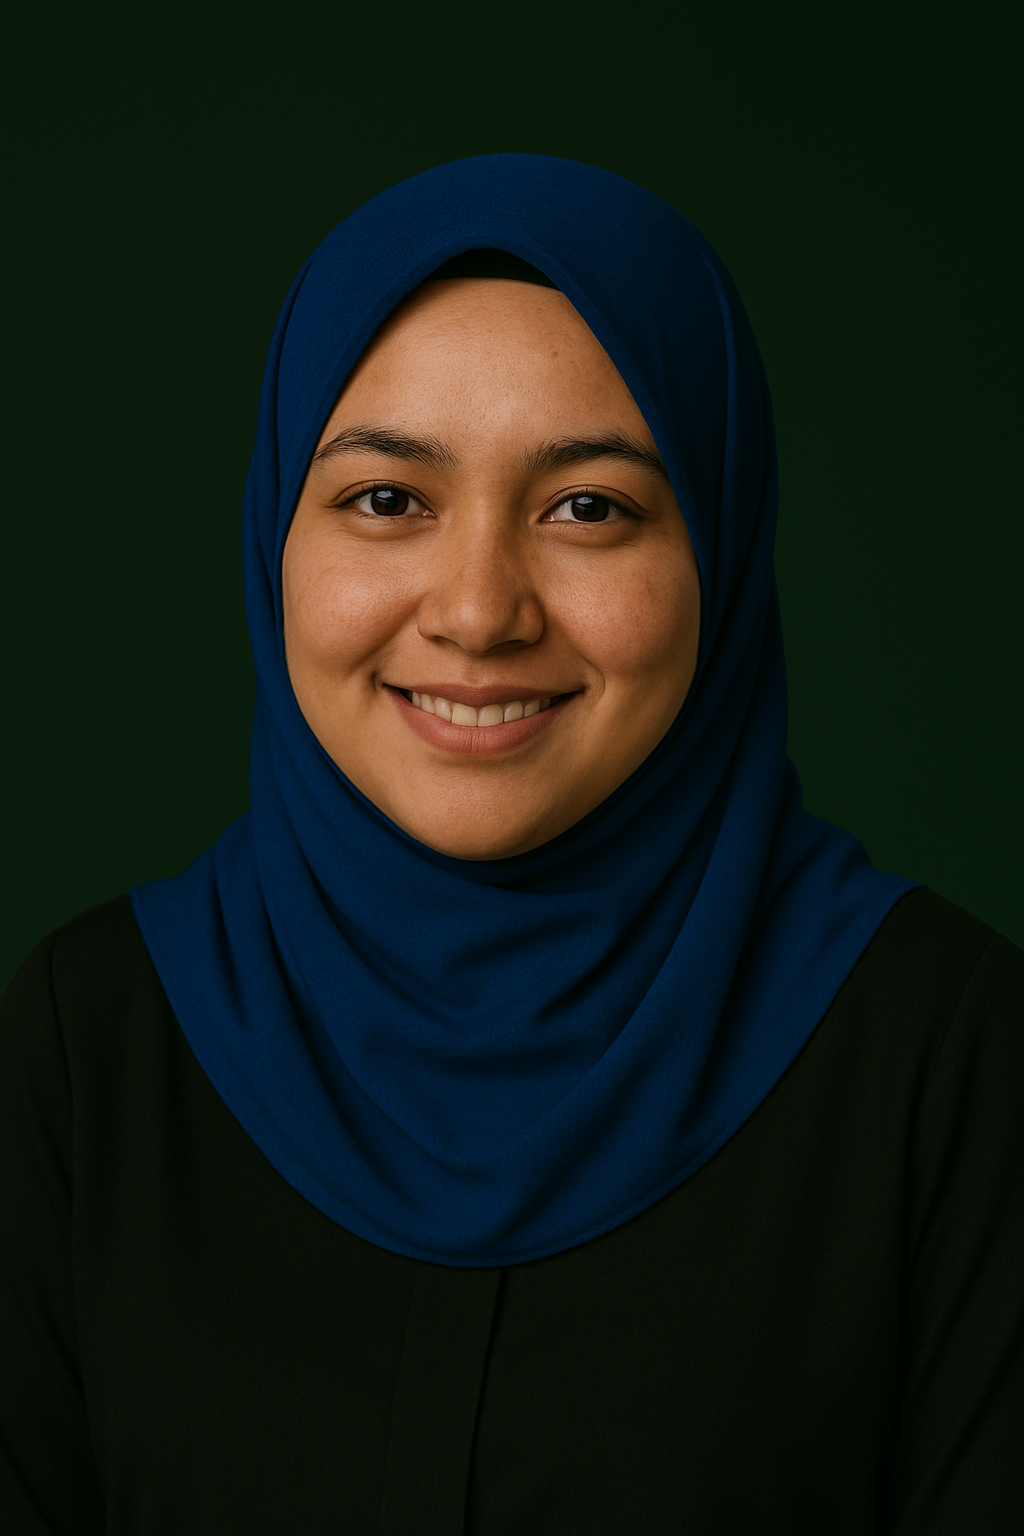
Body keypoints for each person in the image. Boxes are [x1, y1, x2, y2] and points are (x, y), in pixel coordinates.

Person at [1, 154, 1021, 1535]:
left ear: (719, 545)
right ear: (274, 540)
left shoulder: (951, 1061)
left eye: (589, 508)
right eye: (386, 500)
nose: (480, 612)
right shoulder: (87, 1050)